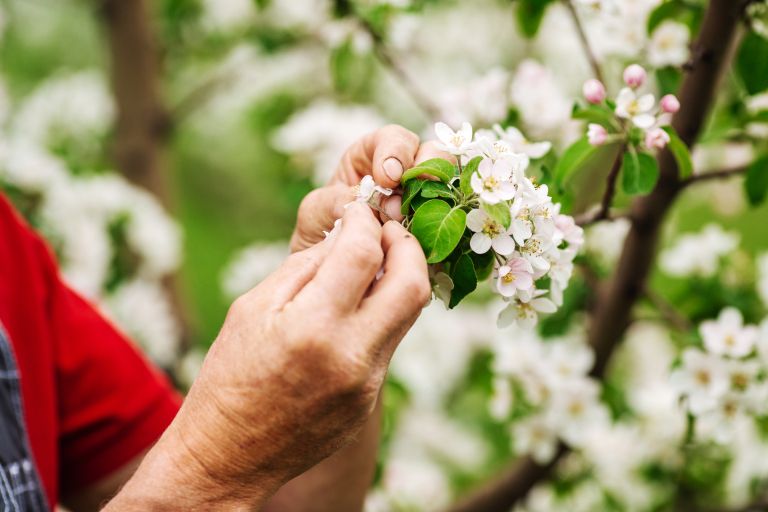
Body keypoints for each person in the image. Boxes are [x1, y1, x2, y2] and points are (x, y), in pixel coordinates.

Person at [0, 125, 450, 511]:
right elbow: (213, 480)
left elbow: (265, 495)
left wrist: (344, 295)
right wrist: (212, 470)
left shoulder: (10, 251)